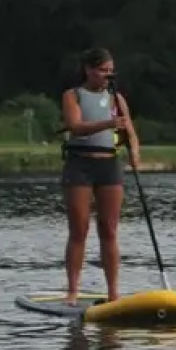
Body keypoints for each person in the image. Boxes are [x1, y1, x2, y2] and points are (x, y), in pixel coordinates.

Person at [60, 47, 139, 305]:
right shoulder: (73, 95)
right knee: (79, 229)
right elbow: (76, 126)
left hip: (109, 164)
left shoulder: (117, 99)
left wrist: (135, 153)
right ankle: (73, 290)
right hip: (80, 164)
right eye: (104, 71)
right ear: (89, 70)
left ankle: (113, 292)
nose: (109, 76)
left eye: (111, 71)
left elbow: (130, 132)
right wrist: (107, 124)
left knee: (109, 230)